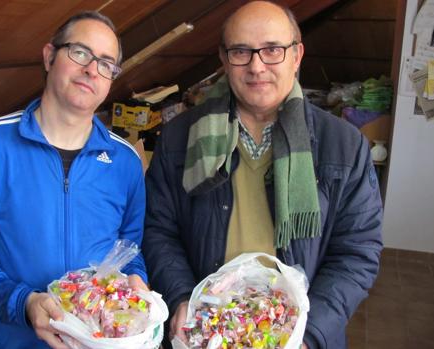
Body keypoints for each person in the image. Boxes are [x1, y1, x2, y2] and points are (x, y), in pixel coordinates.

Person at [142, 1, 383, 349]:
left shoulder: (344, 146)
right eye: (241, 51)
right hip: (204, 329)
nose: (256, 66)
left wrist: (308, 334)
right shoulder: (181, 138)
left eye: (272, 50)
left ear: (297, 55)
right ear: (224, 59)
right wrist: (181, 297)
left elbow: (356, 252)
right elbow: (158, 231)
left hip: (296, 334)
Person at [0, 11, 149, 349]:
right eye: (80, 52)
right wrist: (24, 303)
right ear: (50, 56)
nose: (91, 69)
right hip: (13, 340)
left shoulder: (124, 161)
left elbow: (130, 250)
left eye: (106, 63)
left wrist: (137, 281)